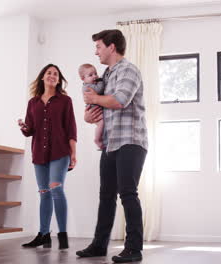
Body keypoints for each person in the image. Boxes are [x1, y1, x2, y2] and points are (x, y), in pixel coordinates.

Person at [76, 29, 148, 263]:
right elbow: (96, 107)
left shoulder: (128, 70)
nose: (95, 51)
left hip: (131, 141)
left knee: (127, 193)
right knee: (106, 195)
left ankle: (134, 248)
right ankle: (99, 245)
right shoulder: (106, 75)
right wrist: (89, 115)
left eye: (98, 47)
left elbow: (120, 100)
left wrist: (95, 100)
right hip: (110, 143)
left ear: (111, 47)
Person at [19, 64, 77, 250]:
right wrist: (24, 127)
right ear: (42, 77)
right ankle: (44, 235)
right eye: (49, 73)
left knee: (56, 189)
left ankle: (63, 235)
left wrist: (73, 153)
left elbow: (71, 128)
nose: (52, 75)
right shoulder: (33, 103)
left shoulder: (65, 101)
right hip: (39, 154)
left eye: (55, 74)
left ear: (58, 80)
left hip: (60, 152)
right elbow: (30, 130)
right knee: (44, 193)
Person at [78, 63, 105, 150]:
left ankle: (101, 139)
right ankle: (97, 140)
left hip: (96, 107)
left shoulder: (90, 84)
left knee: (102, 125)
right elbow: (99, 90)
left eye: (95, 73)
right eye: (90, 75)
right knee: (102, 123)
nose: (95, 76)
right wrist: (101, 81)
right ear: (83, 78)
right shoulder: (87, 87)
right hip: (94, 109)